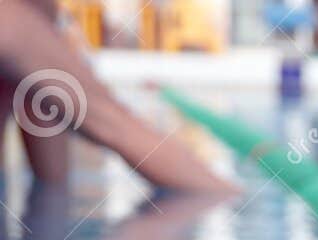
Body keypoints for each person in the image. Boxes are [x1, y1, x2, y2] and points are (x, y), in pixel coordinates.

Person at [0, 0, 235, 192]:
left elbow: (52, 187)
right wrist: (232, 196)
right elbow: (117, 126)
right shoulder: (13, 25)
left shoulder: (25, 31)